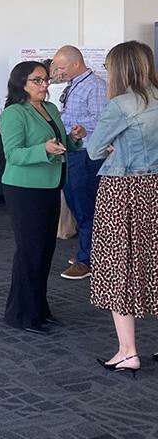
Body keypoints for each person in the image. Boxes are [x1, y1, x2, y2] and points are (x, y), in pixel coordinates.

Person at [86, 41, 158, 376]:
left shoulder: (120, 105)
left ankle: (128, 352)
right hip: (154, 188)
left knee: (120, 265)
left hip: (123, 190)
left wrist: (113, 145)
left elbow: (93, 149)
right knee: (154, 260)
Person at [0, 61, 86, 334]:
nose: (44, 85)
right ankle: (21, 315)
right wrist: (43, 149)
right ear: (21, 83)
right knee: (30, 252)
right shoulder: (14, 113)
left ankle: (39, 308)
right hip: (24, 190)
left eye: (46, 79)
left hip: (50, 185)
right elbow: (13, 154)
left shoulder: (49, 109)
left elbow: (59, 144)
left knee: (45, 252)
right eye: (37, 80)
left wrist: (72, 139)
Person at [50, 45, 108, 280]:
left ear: (75, 64)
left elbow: (100, 121)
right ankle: (89, 252)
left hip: (86, 155)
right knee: (78, 206)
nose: (59, 72)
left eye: (62, 67)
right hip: (72, 152)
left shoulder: (95, 87)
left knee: (86, 209)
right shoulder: (74, 84)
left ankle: (87, 260)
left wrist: (69, 127)